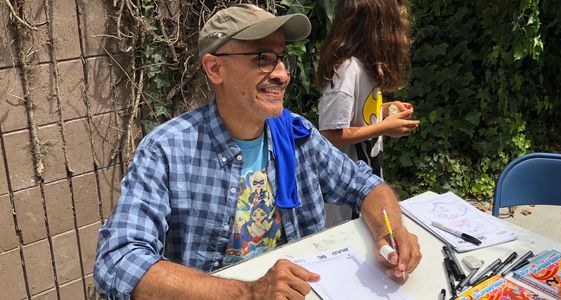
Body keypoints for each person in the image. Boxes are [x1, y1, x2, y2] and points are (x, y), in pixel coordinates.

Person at [93, 4, 421, 299]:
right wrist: (250, 293)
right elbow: (119, 261)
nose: (282, 74)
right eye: (262, 59)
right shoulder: (168, 149)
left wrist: (391, 232)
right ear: (215, 69)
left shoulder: (296, 135)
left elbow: (366, 185)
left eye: (281, 58)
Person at [314, 0, 420, 224]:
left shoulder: (368, 67)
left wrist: (386, 110)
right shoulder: (347, 70)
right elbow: (329, 134)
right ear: (378, 27)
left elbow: (358, 115)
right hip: (346, 187)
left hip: (367, 174)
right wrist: (385, 127)